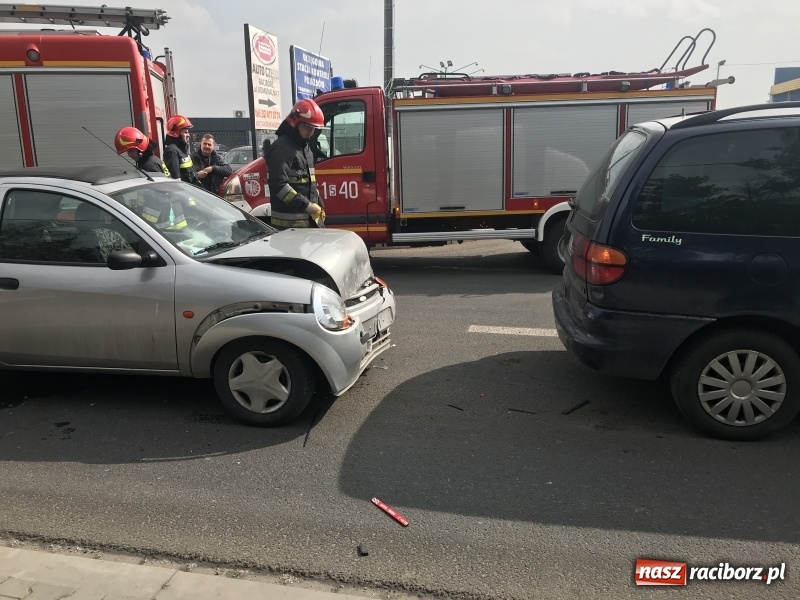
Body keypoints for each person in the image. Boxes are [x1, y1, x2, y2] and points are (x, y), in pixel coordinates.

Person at [266, 99, 325, 229]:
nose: (310, 132)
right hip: (290, 227)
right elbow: (279, 186)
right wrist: (308, 206)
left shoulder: (305, 147)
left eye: (313, 128)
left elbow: (310, 183)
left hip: (308, 223)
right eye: (307, 127)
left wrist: (318, 203)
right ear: (294, 122)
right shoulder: (281, 149)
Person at [162, 115, 197, 184]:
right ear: (176, 133)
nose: (188, 135)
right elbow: (176, 180)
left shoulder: (182, 149)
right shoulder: (172, 151)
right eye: (185, 132)